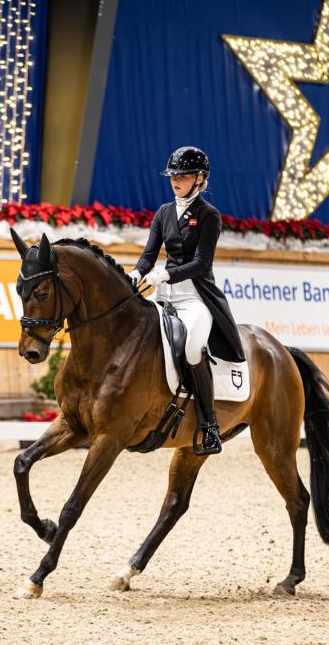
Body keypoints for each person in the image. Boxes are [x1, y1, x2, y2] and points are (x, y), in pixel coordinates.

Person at [129, 146, 246, 455]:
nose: (176, 181)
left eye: (182, 176)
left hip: (195, 297)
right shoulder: (164, 212)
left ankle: (209, 426)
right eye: (173, 176)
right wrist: (135, 274)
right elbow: (149, 254)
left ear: (200, 178)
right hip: (164, 295)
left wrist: (165, 275)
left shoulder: (209, 216)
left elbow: (201, 264)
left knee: (194, 349)